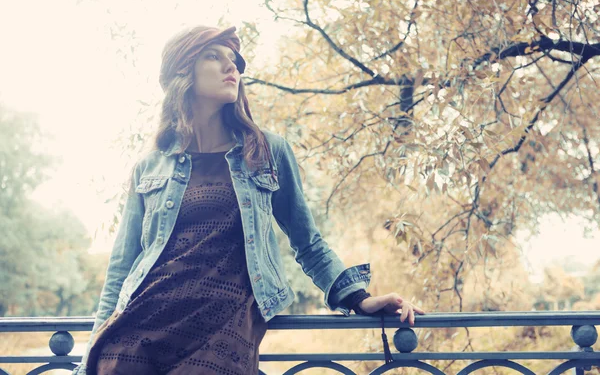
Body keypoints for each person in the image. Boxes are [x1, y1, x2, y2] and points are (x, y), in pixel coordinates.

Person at [72, 25, 425, 375]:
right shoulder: (150, 165)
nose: (232, 68)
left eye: (235, 60)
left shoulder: (268, 151)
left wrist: (358, 298)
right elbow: (121, 269)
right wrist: (88, 357)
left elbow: (308, 243)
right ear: (183, 72)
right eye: (214, 56)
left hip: (224, 328)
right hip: (142, 325)